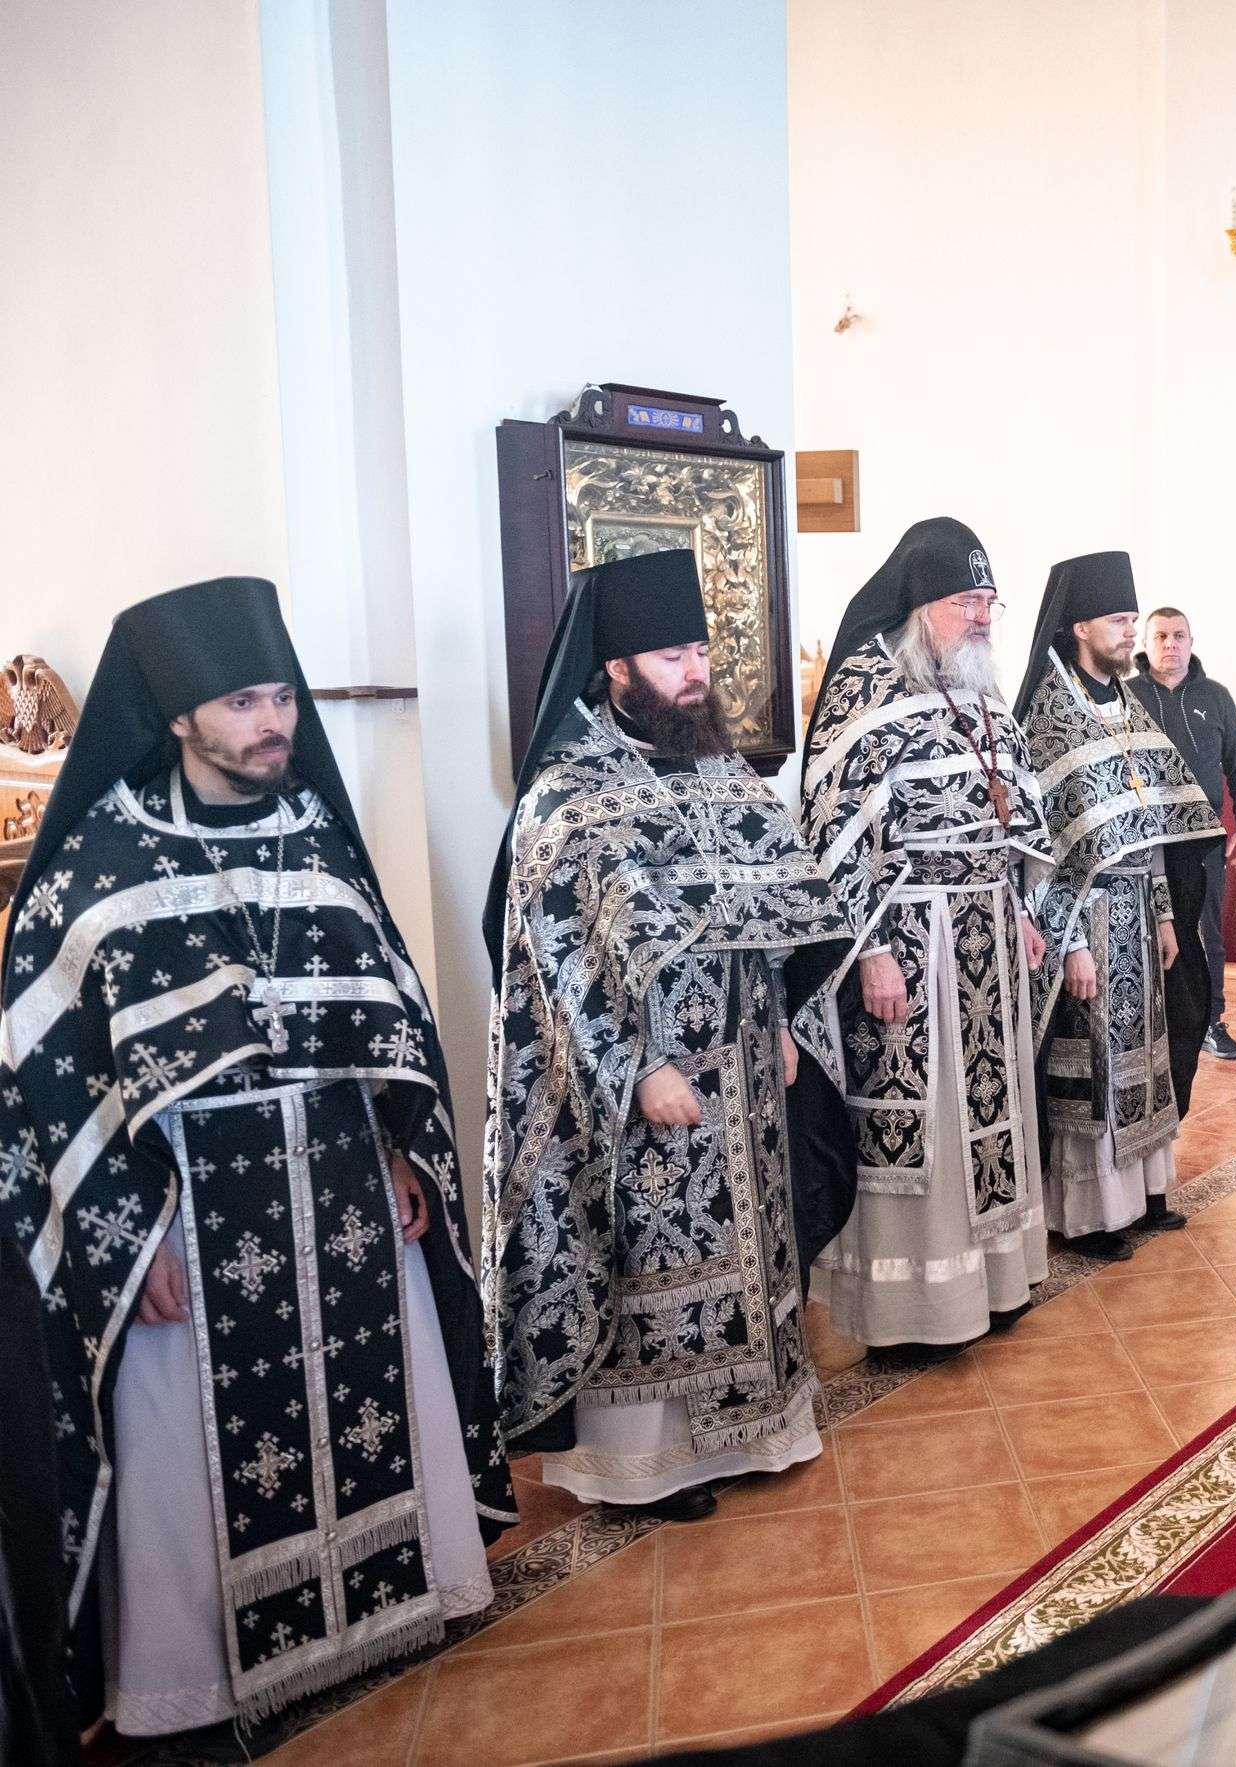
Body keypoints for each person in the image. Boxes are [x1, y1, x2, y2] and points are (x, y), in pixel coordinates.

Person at [0, 578, 509, 1745]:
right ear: (180, 713)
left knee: (381, 1404)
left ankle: (387, 1609)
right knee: (188, 1461)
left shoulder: (316, 833)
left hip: (340, 1182)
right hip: (190, 1206)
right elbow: (47, 1071)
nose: (276, 721)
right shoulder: (101, 861)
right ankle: (192, 1684)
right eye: (246, 701)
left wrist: (396, 1147)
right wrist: (129, 1233)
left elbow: (384, 1012)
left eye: (283, 695)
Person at [484, 550, 853, 1523]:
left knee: (751, 1251)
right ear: (614, 670)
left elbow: (770, 910)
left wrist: (781, 1022)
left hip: (743, 1061)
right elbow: (549, 960)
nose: (695, 670)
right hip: (650, 1082)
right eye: (670, 655)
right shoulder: (566, 799)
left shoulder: (721, 771)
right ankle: (650, 1471)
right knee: (656, 1257)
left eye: (699, 649)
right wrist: (635, 1066)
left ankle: (755, 1431)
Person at [794, 518, 1054, 1363]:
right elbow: (831, 832)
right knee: (924, 1125)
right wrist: (869, 948)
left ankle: (993, 1283)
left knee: (992, 1114)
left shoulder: (976, 690)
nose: (982, 616)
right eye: (966, 601)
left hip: (984, 925)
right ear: (919, 606)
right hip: (910, 937)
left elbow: (1009, 810)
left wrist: (1017, 903)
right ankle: (916, 1307)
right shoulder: (866, 688)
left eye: (988, 600)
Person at [1013, 553, 1220, 1260]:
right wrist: (1068, 943)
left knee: (1146, 1057)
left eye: (1133, 618)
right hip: (1087, 919)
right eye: (1118, 619)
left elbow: (1155, 820)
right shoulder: (1049, 715)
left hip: (1137, 909)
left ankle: (1143, 1197)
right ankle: (1091, 1217)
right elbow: (1042, 850)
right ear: (1079, 626)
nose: (1129, 630)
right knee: (1093, 1066)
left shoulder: (1127, 703)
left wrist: (1165, 913)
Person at [1130, 607, 1236, 1064]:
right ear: (1146, 642)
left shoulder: (1216, 697)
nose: (1170, 644)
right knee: (1143, 933)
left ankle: (1212, 1022)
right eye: (1160, 635)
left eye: (1179, 635)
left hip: (1204, 843)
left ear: (1191, 640)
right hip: (1143, 842)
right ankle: (1148, 1025)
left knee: (1209, 935)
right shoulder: (1126, 698)